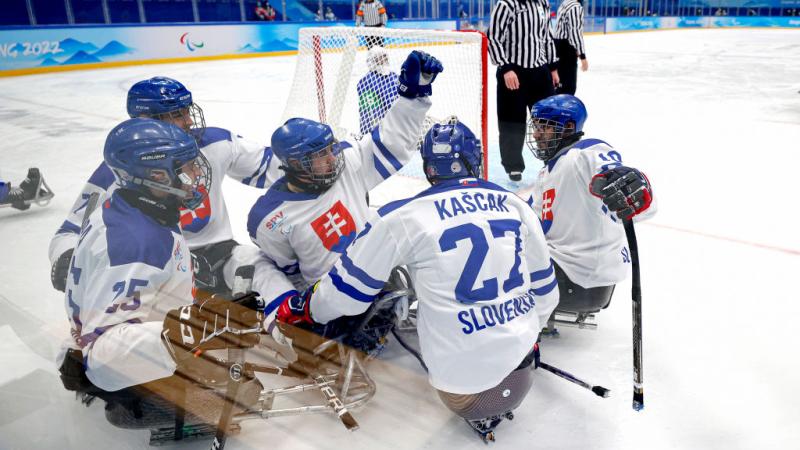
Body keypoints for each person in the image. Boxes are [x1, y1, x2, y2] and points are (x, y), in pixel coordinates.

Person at [274, 120, 559, 441]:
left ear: (428, 167)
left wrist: (306, 307)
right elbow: (547, 294)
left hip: (460, 392)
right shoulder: (515, 204)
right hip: (521, 374)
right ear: (473, 159)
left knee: (401, 276)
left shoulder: (400, 216)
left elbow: (345, 297)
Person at [57, 118, 264, 427]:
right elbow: (103, 354)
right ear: (155, 175)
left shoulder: (134, 207)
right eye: (185, 166)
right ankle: (130, 407)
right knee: (244, 393)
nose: (196, 173)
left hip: (119, 331)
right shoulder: (135, 244)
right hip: (109, 366)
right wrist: (196, 327)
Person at [48, 76, 294, 310]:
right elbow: (69, 231)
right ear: (147, 119)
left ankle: (297, 319)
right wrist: (66, 256)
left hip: (222, 252)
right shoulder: (122, 169)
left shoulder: (213, 142)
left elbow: (275, 167)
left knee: (259, 265)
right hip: (162, 264)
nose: (188, 121)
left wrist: (316, 158)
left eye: (187, 111)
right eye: (178, 114)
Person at [247, 51, 442, 292]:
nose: (332, 158)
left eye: (330, 148)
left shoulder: (347, 163)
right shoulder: (267, 218)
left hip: (379, 279)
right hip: (328, 299)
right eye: (320, 155)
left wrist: (413, 95)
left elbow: (392, 142)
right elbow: (290, 272)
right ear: (295, 164)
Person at [525, 94, 656, 328]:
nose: (536, 134)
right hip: (577, 277)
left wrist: (627, 183)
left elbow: (608, 167)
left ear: (567, 129)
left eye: (544, 127)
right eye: (536, 126)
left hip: (576, 279)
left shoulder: (585, 152)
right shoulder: (546, 174)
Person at [488, 0, 559, 182]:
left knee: (548, 121)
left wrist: (552, 67)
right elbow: (494, 37)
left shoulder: (543, 3)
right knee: (512, 122)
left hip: (540, 72)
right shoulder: (507, 4)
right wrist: (506, 68)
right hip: (514, 72)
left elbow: (547, 36)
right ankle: (513, 166)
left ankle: (552, 159)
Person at [357, 46, 399, 135]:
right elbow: (370, 112)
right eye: (379, 58)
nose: (383, 61)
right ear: (371, 60)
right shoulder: (366, 82)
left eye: (385, 57)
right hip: (382, 130)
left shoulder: (395, 77)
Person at [554, 0, 588, 96]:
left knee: (559, 86)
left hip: (558, 47)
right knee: (568, 88)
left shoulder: (564, 4)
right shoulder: (575, 7)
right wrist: (583, 56)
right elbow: (575, 33)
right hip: (566, 50)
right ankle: (563, 110)